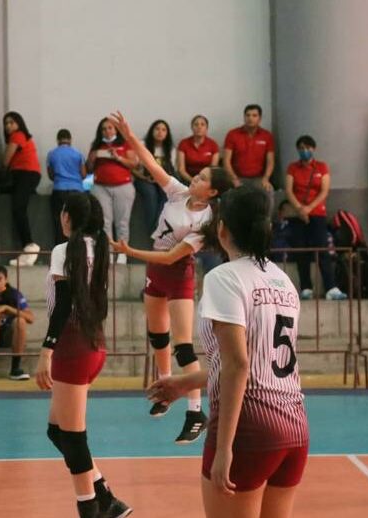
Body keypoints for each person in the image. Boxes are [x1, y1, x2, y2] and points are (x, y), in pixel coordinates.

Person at [147, 184, 309, 518]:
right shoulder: (284, 281)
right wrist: (185, 383)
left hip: (250, 427)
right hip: (295, 429)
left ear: (222, 230)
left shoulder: (224, 278)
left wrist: (224, 448)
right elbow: (258, 363)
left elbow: (238, 365)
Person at [107, 111, 232, 444]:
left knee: (183, 347)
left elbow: (170, 256)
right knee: (157, 337)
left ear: (214, 192)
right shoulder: (178, 193)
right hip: (155, 271)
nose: (196, 178)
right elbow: (150, 164)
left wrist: (128, 251)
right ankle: (164, 389)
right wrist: (130, 136)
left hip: (176, 273)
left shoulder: (206, 223)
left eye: (204, 177)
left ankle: (195, 411)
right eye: (199, 173)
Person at [34, 192, 131, 518]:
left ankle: (91, 509)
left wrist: (46, 351)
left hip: (73, 347)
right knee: (57, 430)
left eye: (63, 213)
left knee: (74, 437)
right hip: (93, 344)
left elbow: (62, 307)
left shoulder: (66, 249)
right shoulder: (100, 247)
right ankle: (106, 497)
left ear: (68, 217)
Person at [283, 136, 347, 301]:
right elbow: (289, 190)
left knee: (322, 251)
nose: (305, 151)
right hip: (297, 215)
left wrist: (309, 208)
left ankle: (330, 287)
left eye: (308, 147)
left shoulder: (322, 167)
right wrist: (299, 209)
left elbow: (324, 191)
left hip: (317, 213)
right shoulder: (292, 168)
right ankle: (305, 288)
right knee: (301, 251)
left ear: (314, 149)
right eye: (302, 148)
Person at [87, 117, 139, 265]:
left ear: (116, 129)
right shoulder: (97, 145)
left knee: (122, 221)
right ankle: (107, 253)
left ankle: (122, 253)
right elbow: (89, 169)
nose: (107, 131)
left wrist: (117, 157)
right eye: (104, 128)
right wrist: (93, 157)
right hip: (100, 187)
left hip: (123, 186)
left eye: (110, 127)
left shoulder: (125, 143)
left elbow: (134, 164)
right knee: (104, 222)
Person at [2, 111, 42, 266]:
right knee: (18, 208)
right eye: (6, 123)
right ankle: (27, 247)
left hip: (26, 174)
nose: (8, 126)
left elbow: (7, 158)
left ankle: (30, 244)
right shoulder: (21, 136)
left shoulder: (18, 135)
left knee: (18, 208)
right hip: (24, 175)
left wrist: (1, 170)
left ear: (19, 124)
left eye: (12, 122)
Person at [47, 129, 87, 246]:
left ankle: (61, 248)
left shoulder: (52, 154)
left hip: (59, 190)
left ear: (58, 140)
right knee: (78, 220)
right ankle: (78, 247)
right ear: (70, 139)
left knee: (60, 222)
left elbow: (51, 175)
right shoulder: (78, 153)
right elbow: (84, 174)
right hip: (77, 190)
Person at [134, 120, 173, 234]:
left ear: (167, 133)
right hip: (143, 179)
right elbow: (133, 168)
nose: (160, 132)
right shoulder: (142, 145)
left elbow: (171, 170)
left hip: (162, 180)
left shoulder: (170, 149)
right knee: (151, 195)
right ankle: (153, 230)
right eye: (157, 129)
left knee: (167, 194)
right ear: (151, 131)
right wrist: (144, 177)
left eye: (163, 130)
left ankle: (159, 226)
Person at [223, 105, 275, 189]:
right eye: (248, 115)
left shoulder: (267, 136)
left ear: (260, 118)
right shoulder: (232, 134)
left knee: (268, 190)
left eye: (254, 115)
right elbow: (226, 161)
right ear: (244, 117)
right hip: (237, 178)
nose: (250, 118)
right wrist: (234, 178)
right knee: (230, 195)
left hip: (259, 179)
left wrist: (266, 179)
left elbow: (270, 162)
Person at [176, 115, 219, 184]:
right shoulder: (183, 143)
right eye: (196, 124)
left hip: (206, 180)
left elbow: (213, 169)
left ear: (206, 128)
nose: (199, 127)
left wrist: (203, 182)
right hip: (187, 179)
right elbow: (181, 170)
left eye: (202, 124)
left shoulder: (213, 144)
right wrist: (193, 181)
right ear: (192, 127)